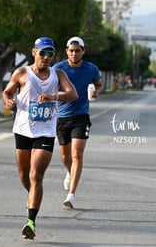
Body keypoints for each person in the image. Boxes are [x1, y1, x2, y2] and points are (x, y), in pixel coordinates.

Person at [2, 37, 77, 240]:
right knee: (24, 176)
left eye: (50, 53)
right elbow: (7, 91)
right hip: (23, 130)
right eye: (42, 52)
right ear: (34, 52)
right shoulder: (22, 73)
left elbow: (73, 93)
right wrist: (8, 101)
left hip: (45, 131)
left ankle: (31, 222)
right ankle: (33, 197)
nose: (45, 57)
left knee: (36, 176)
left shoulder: (57, 74)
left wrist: (54, 97)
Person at [52, 36, 102, 209]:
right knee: (66, 157)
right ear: (66, 51)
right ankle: (69, 172)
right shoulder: (58, 68)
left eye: (77, 51)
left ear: (83, 51)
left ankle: (71, 194)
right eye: (71, 51)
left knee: (77, 154)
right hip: (62, 117)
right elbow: (50, 86)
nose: (74, 54)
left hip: (81, 116)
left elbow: (98, 84)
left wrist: (95, 93)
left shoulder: (91, 68)